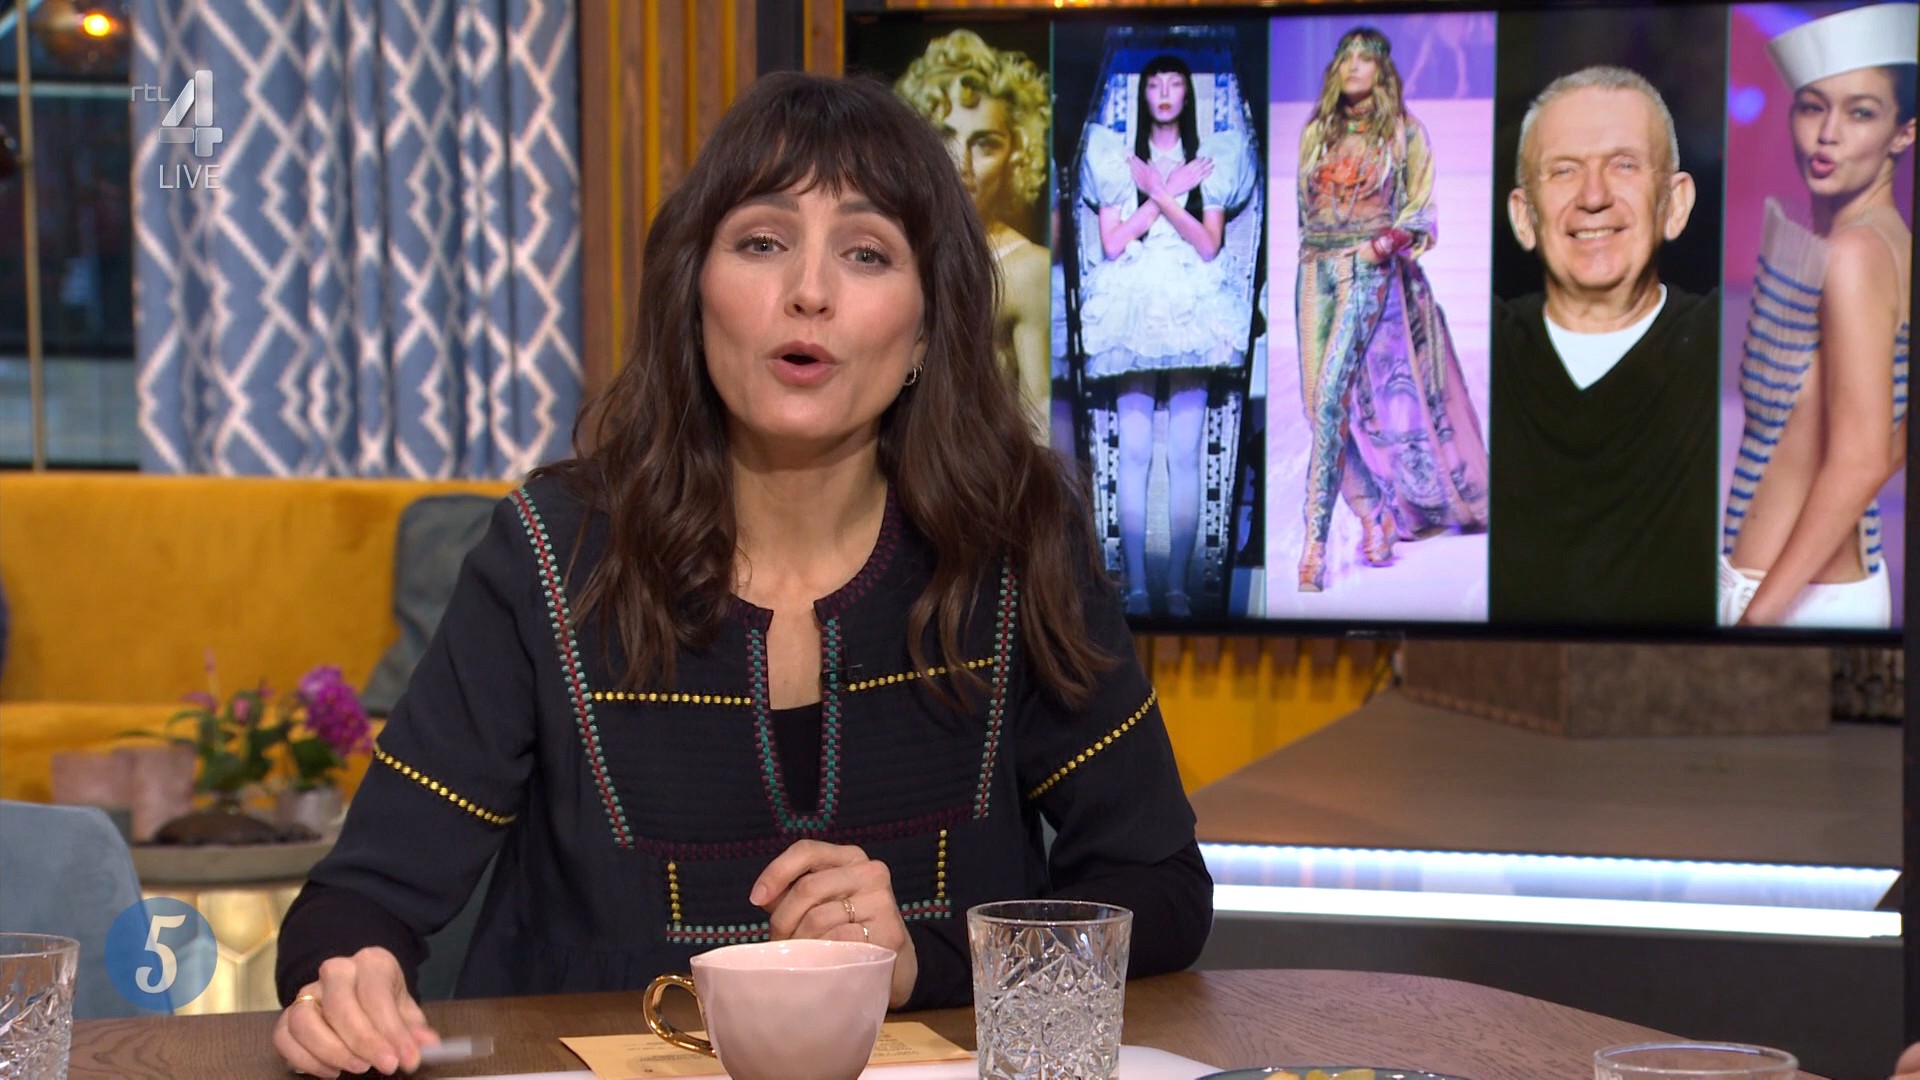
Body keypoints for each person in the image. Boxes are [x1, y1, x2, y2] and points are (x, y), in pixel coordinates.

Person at [269, 73, 1211, 1078]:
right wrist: (347, 981)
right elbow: (354, 904)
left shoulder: (1018, 543)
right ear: (694, 292)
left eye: (865, 253)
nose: (809, 292)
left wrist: (921, 964)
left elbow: (1158, 888)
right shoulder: (552, 552)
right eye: (762, 243)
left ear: (928, 328)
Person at [1489, 65, 1720, 626]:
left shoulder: (1732, 346)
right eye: (1563, 171)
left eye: (1624, 165)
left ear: (1675, 204)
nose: (1593, 197)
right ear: (1524, 217)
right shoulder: (1470, 356)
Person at [1719, 2, 1915, 629]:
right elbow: (1889, 440)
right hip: (1800, 590)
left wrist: (1755, 624)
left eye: (1861, 113)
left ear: (1904, 133)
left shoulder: (1855, 255)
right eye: (1812, 107)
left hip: (1790, 603)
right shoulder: (1884, 243)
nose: (1828, 134)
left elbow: (1862, 458)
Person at [1292, 26, 1489, 592]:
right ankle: (1374, 511)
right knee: (1315, 407)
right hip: (1314, 269)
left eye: (1366, 58)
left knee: (1333, 394)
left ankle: (1314, 549)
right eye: (1346, 57)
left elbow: (1421, 211)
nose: (1354, 66)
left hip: (1366, 268)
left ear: (1382, 69)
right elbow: (1304, 210)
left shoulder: (1404, 131)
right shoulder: (1316, 132)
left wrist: (1380, 246)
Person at [1078, 53, 1257, 616]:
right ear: (1142, 94)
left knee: (1185, 450)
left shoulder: (1208, 161)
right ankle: (1134, 586)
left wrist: (1165, 190)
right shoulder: (1118, 160)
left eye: (1174, 82)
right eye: (1154, 82)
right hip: (1133, 301)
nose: (1163, 91)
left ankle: (1178, 587)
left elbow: (1207, 245)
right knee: (1133, 451)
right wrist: (1159, 188)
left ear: (1187, 94)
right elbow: (1113, 244)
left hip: (1190, 302)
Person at [895, 30, 1052, 442]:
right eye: (944, 137)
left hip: (984, 473)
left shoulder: (1028, 269)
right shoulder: (886, 255)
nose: (961, 162)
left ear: (1017, 155)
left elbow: (1041, 418)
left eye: (985, 144)